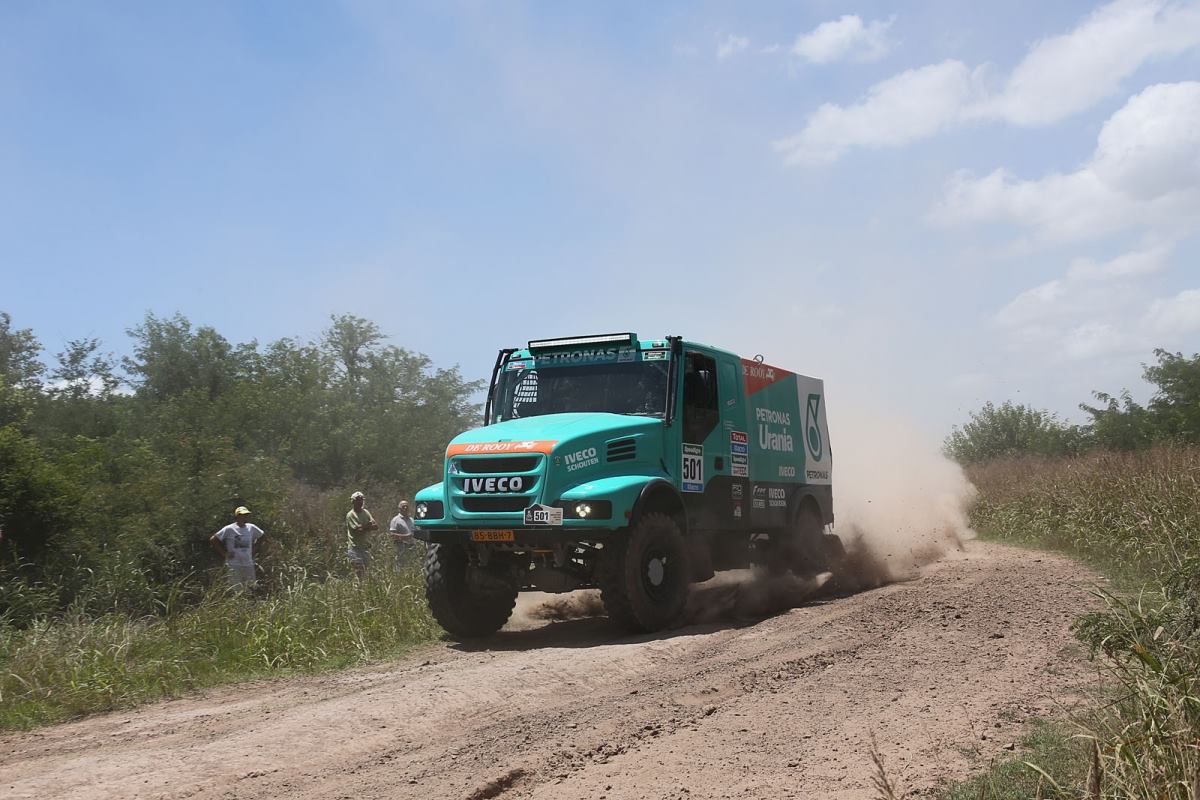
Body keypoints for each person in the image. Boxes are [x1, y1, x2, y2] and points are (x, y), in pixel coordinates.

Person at [209, 506, 265, 592]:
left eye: (246, 515)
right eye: (242, 515)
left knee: (251, 587)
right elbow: (213, 540)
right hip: (234, 564)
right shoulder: (229, 529)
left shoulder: (251, 527)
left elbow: (262, 536)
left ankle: (250, 604)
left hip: (248, 563)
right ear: (237, 516)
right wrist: (224, 553)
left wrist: (255, 548)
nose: (244, 517)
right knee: (236, 590)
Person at [345, 490, 378, 576]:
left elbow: (375, 526)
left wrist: (363, 527)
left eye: (361, 500)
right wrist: (367, 526)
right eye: (358, 500)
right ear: (353, 501)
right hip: (355, 549)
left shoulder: (366, 512)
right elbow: (358, 532)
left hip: (365, 548)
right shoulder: (351, 515)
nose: (360, 502)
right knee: (359, 572)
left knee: (366, 573)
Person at [389, 499, 418, 569]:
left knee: (412, 566)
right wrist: (407, 536)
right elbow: (392, 535)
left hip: (412, 547)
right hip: (401, 547)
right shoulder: (395, 520)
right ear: (399, 508)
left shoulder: (412, 520)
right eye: (403, 506)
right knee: (400, 566)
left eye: (407, 506)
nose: (405, 508)